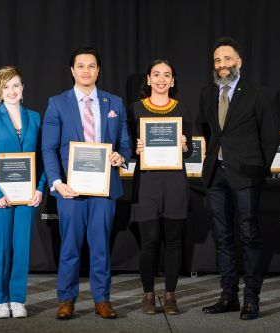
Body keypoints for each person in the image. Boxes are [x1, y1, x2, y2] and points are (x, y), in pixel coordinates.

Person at [42, 46, 131, 319]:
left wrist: (121, 156)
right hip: (71, 189)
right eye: (80, 66)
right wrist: (57, 183)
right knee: (69, 246)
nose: (86, 71)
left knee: (101, 246)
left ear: (98, 71)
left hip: (104, 189)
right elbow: (49, 148)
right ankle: (66, 299)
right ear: (72, 70)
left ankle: (102, 299)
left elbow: (125, 143)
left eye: (91, 66)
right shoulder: (57, 103)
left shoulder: (113, 103)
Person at [200, 37, 280, 320]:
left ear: (239, 62)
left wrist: (259, 170)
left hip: (246, 176)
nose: (223, 65)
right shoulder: (208, 93)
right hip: (216, 175)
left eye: (227, 59)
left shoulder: (257, 94)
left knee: (248, 236)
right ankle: (228, 296)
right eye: (218, 61)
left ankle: (251, 299)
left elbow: (271, 136)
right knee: (222, 238)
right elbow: (209, 131)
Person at [0, 66, 46, 319]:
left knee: (21, 247)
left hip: (28, 195)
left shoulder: (36, 117)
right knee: (1, 247)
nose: (12, 90)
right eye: (6, 86)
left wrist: (40, 188)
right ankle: (0, 299)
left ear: (23, 87)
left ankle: (17, 298)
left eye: (16, 85)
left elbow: (43, 158)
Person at [127, 59, 192, 315]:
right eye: (156, 74)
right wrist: (135, 149)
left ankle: (170, 294)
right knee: (149, 241)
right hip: (147, 182)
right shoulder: (135, 109)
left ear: (173, 81)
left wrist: (186, 147)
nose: (161, 79)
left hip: (174, 181)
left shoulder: (182, 109)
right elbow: (128, 148)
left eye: (167, 75)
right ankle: (148, 294)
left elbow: (189, 152)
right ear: (148, 79)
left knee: (174, 242)